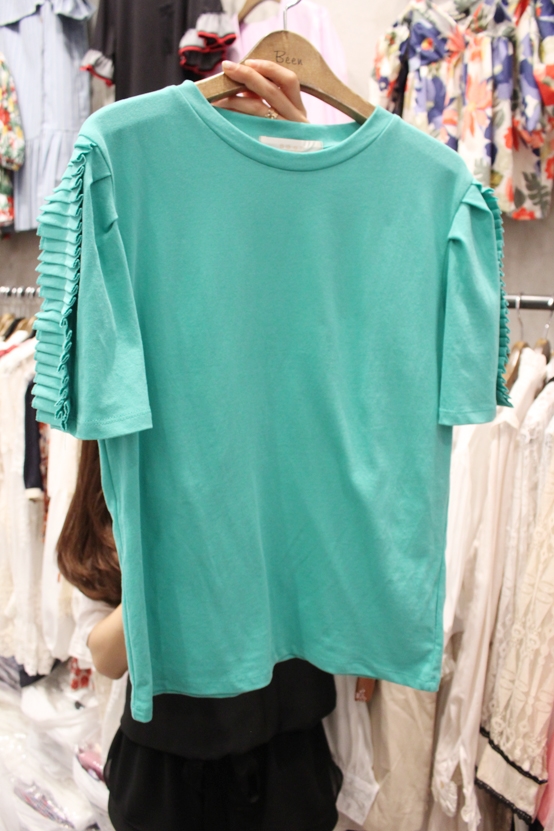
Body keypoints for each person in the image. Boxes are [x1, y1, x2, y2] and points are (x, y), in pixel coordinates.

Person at [55, 61, 342, 831]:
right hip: (167, 762)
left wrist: (303, 175)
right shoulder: (123, 415)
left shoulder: (291, 405)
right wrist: (182, 563)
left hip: (287, 743)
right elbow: (102, 652)